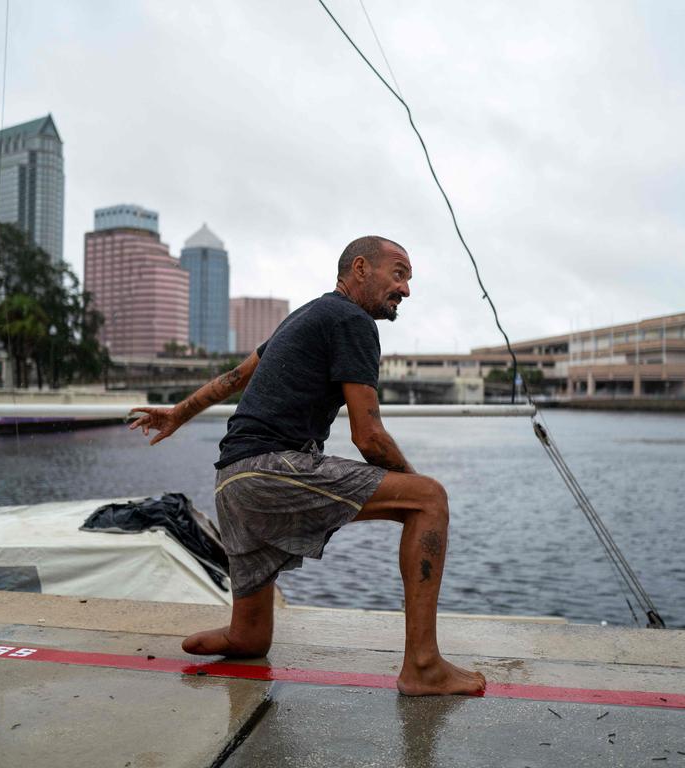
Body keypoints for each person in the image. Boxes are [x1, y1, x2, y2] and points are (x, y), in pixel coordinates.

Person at [129, 236, 486, 696]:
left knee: (252, 639)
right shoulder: (352, 320)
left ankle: (237, 634)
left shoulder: (307, 315)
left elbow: (236, 378)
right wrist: (417, 492)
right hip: (269, 471)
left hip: (231, 482)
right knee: (430, 499)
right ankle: (422, 665)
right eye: (398, 275)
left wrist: (179, 413)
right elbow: (369, 436)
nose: (406, 290)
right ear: (360, 268)